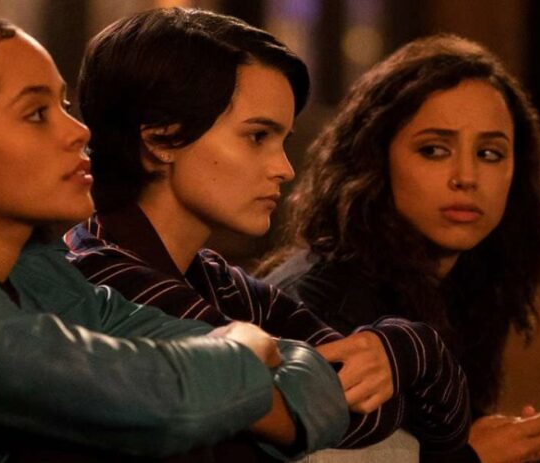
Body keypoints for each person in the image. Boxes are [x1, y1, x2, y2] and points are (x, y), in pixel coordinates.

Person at [0, 14, 349, 462]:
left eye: (65, 107)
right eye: (37, 113)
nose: (79, 132)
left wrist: (237, 376)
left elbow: (321, 386)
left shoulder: (40, 275)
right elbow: (163, 402)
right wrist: (246, 348)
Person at [64, 6, 470, 459]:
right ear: (160, 138)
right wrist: (412, 358)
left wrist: (409, 348)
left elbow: (427, 418)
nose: (284, 168)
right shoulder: (104, 277)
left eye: (283, 140)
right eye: (257, 136)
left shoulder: (218, 281)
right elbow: (332, 414)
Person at [261, 34, 540, 463]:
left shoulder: (467, 283)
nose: (466, 177)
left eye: (490, 153)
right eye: (434, 150)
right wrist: (470, 456)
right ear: (374, 156)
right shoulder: (327, 304)